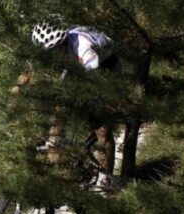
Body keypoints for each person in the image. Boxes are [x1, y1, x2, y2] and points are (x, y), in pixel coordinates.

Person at [13, 20, 119, 190]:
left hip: (105, 68)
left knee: (102, 129)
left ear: (63, 43)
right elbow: (27, 74)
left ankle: (106, 180)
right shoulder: (48, 47)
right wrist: (14, 97)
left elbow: (91, 82)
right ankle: (60, 172)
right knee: (56, 122)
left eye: (53, 52)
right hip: (75, 68)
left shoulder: (83, 47)